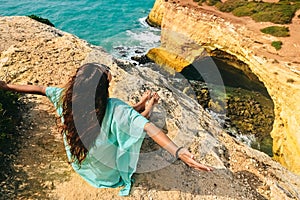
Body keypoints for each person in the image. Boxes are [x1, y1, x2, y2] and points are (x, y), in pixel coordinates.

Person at [0, 63, 212, 196]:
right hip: (107, 174)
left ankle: (144, 107)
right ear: (102, 90)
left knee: (128, 118)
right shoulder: (115, 107)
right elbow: (147, 127)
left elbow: (39, 89)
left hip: (81, 163)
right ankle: (147, 107)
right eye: (108, 79)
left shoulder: (66, 97)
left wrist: (7, 86)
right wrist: (178, 152)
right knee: (135, 125)